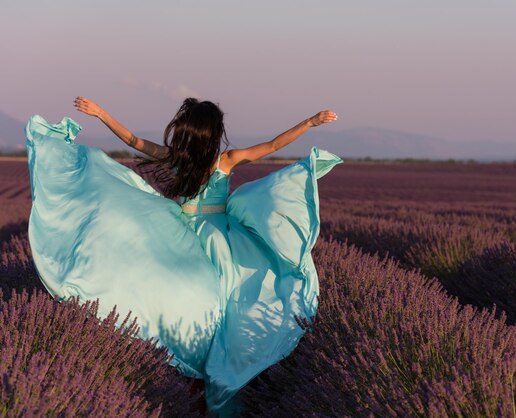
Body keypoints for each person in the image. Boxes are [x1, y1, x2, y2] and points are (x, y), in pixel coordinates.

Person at [25, 97, 342, 414]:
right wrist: (310, 123)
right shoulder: (225, 160)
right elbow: (273, 145)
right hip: (218, 237)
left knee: (166, 287)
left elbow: (133, 141)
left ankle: (186, 369)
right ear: (214, 133)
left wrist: (102, 114)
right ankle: (221, 372)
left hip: (180, 229)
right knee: (230, 302)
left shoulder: (177, 157)